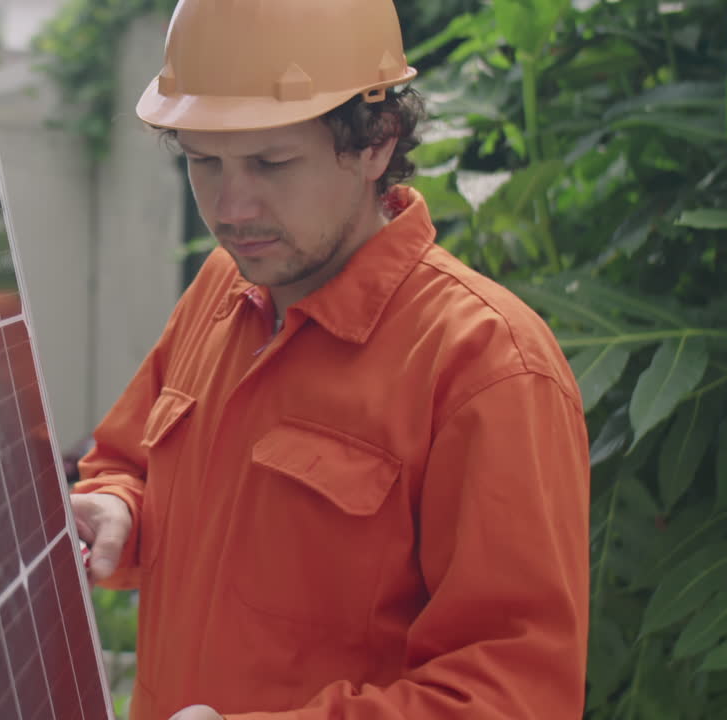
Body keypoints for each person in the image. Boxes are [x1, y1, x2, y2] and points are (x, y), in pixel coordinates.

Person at [68, 1, 591, 718]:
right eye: (203, 161)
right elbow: (127, 463)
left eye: (272, 163)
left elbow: (512, 695)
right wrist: (117, 506)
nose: (231, 207)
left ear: (377, 140)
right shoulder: (222, 289)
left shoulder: (487, 365)